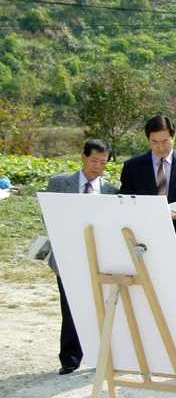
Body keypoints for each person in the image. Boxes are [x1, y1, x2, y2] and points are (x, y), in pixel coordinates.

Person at [46, 139, 119, 375]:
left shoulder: (111, 191)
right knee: (70, 306)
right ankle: (70, 357)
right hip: (67, 255)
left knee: (101, 305)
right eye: (94, 160)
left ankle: (103, 355)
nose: (97, 167)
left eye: (103, 162)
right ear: (83, 157)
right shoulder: (58, 183)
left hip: (99, 255)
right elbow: (49, 217)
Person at [120, 116, 176, 281]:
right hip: (144, 236)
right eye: (154, 142)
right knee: (148, 289)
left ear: (173, 137)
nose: (161, 147)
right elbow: (126, 199)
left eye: (165, 141)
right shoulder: (133, 166)